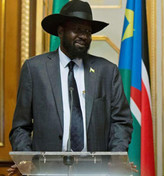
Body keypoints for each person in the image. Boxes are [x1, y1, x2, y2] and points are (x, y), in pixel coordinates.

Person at [8, 0, 133, 175]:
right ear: (61, 31)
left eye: (88, 32)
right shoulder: (34, 69)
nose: (84, 36)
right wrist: (25, 159)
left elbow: (122, 121)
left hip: (95, 171)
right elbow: (20, 127)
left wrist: (116, 157)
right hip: (46, 171)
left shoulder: (107, 71)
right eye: (77, 29)